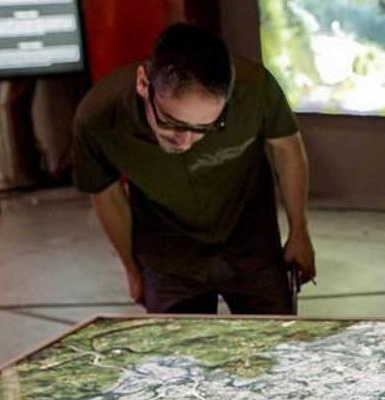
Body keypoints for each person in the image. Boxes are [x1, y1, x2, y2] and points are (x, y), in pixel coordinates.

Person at [74, 23, 315, 315]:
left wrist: (299, 231)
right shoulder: (98, 117)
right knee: (178, 358)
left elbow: (286, 148)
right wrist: (133, 270)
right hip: (168, 258)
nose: (185, 141)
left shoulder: (255, 87)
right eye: (170, 122)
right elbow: (107, 196)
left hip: (252, 246)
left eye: (205, 128)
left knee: (275, 348)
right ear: (143, 83)